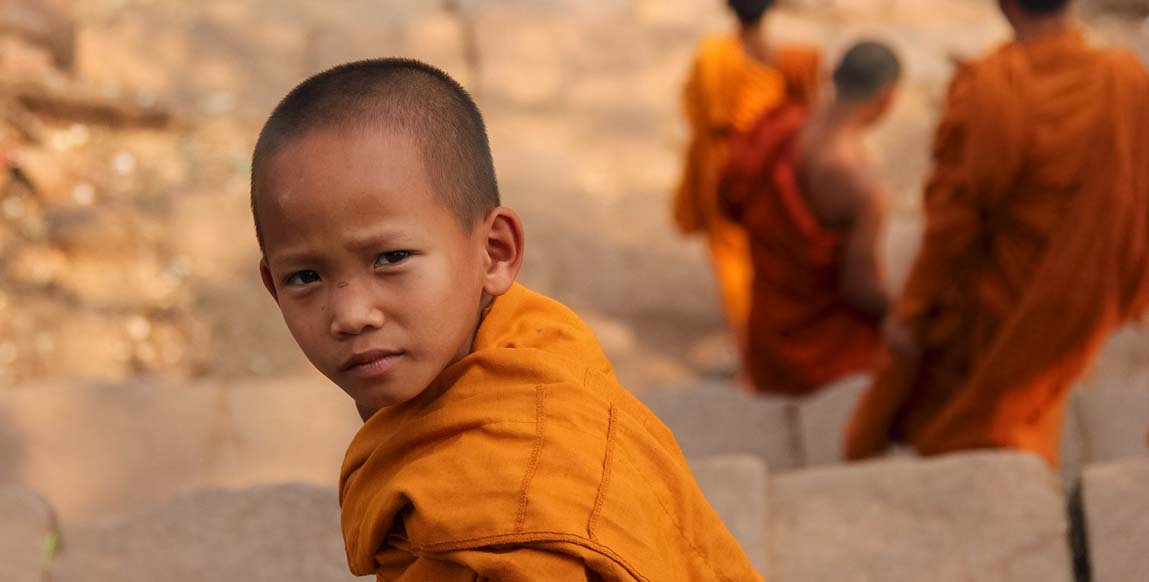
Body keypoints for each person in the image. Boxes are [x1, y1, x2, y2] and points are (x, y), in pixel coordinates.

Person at [250, 58, 762, 581]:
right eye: (306, 276)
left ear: (494, 253)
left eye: (391, 258)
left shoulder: (521, 499)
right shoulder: (527, 335)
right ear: (272, 287)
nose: (352, 315)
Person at [845, 0, 1149, 467]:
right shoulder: (1126, 82)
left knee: (967, 423)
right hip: (1078, 303)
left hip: (991, 303)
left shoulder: (989, 88)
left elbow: (951, 222)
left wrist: (911, 310)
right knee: (1031, 405)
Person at [720, 41, 900, 397]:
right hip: (826, 354)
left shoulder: (781, 125)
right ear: (887, 96)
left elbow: (733, 200)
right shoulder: (860, 184)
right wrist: (907, 309)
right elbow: (858, 288)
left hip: (766, 329)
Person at [673, 0, 820, 347]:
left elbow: (702, 110)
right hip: (769, 166)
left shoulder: (714, 54)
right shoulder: (790, 58)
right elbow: (804, 111)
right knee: (768, 248)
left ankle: (747, 345)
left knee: (730, 254)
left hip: (726, 166)